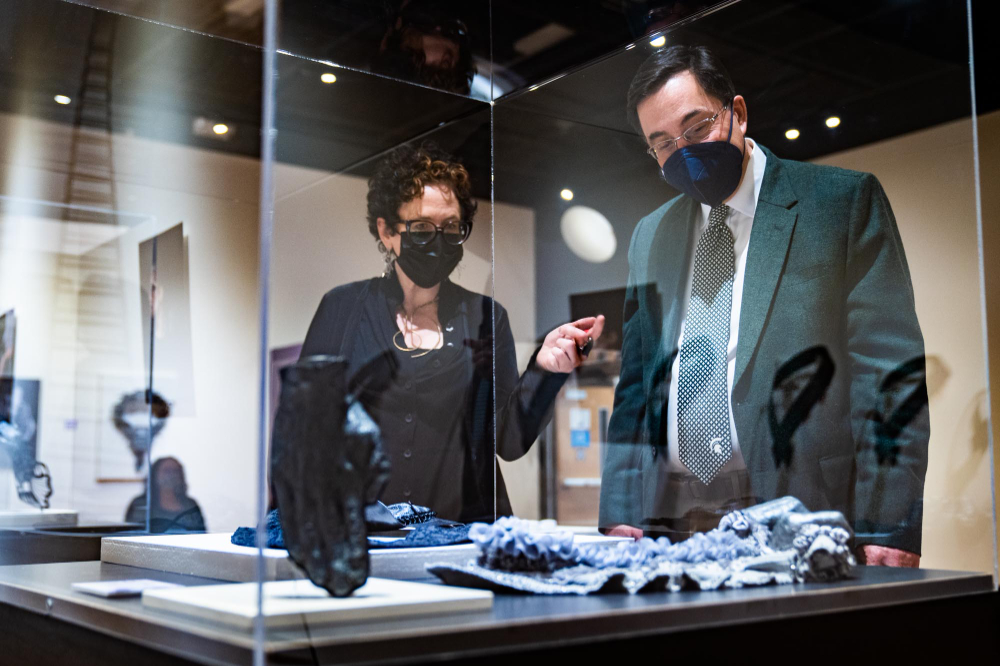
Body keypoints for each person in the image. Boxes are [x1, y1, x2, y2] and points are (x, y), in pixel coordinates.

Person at [599, 45, 928, 567]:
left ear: (737, 112)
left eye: (696, 127)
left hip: (803, 509)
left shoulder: (841, 204)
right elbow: (636, 386)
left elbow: (887, 374)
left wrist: (888, 524)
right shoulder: (650, 234)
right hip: (671, 522)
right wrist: (620, 509)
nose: (682, 151)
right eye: (661, 144)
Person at [300, 143, 604, 523]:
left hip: (464, 533)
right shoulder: (343, 309)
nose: (438, 240)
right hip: (367, 537)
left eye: (451, 228)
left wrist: (545, 370)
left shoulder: (485, 317)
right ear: (387, 230)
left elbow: (509, 441)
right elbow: (303, 430)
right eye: (422, 228)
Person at [125, 457, 206, 533]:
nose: (172, 475)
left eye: (176, 471)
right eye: (167, 471)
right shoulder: (141, 504)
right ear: (155, 475)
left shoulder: (190, 504)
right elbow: (133, 535)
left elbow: (201, 535)